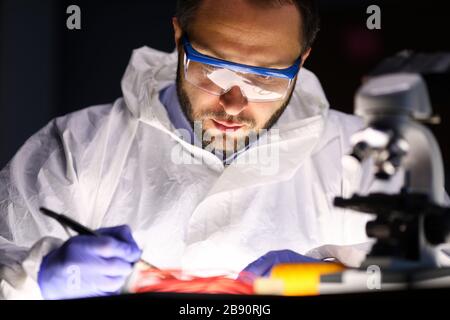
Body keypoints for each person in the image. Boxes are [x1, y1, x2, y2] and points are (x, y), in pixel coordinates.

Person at [0, 0, 447, 300]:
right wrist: (40, 274)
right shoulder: (80, 145)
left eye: (266, 79)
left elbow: (436, 268)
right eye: (213, 70)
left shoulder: (367, 154)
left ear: (303, 59)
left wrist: (334, 275)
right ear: (178, 39)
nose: (234, 104)